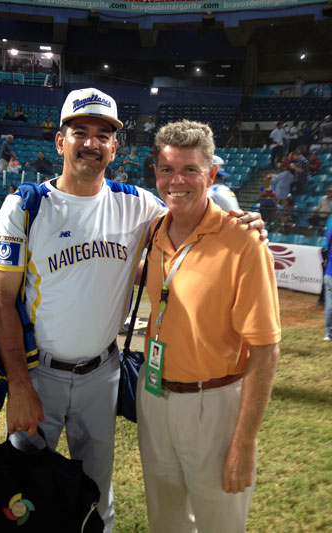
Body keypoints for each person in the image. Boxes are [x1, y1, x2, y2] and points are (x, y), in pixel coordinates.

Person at [0, 88, 266, 532]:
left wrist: (240, 216)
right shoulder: (26, 205)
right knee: (24, 495)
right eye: (80, 132)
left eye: (103, 134)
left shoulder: (138, 205)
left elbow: (191, 202)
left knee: (98, 492)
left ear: (116, 148)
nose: (91, 143)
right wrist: (18, 383)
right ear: (61, 141)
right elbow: (0, 298)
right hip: (40, 374)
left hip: (103, 374)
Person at [137, 119, 280, 533]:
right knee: (164, 516)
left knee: (219, 521)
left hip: (214, 403)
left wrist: (245, 442)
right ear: (156, 173)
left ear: (211, 174)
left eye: (189, 170)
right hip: (154, 394)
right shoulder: (155, 231)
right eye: (166, 170)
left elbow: (266, 350)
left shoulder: (243, 242)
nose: (176, 181)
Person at [323, 225, 332, 341]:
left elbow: (325, 247)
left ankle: (328, 333)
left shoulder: (330, 231)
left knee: (330, 305)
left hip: (329, 273)